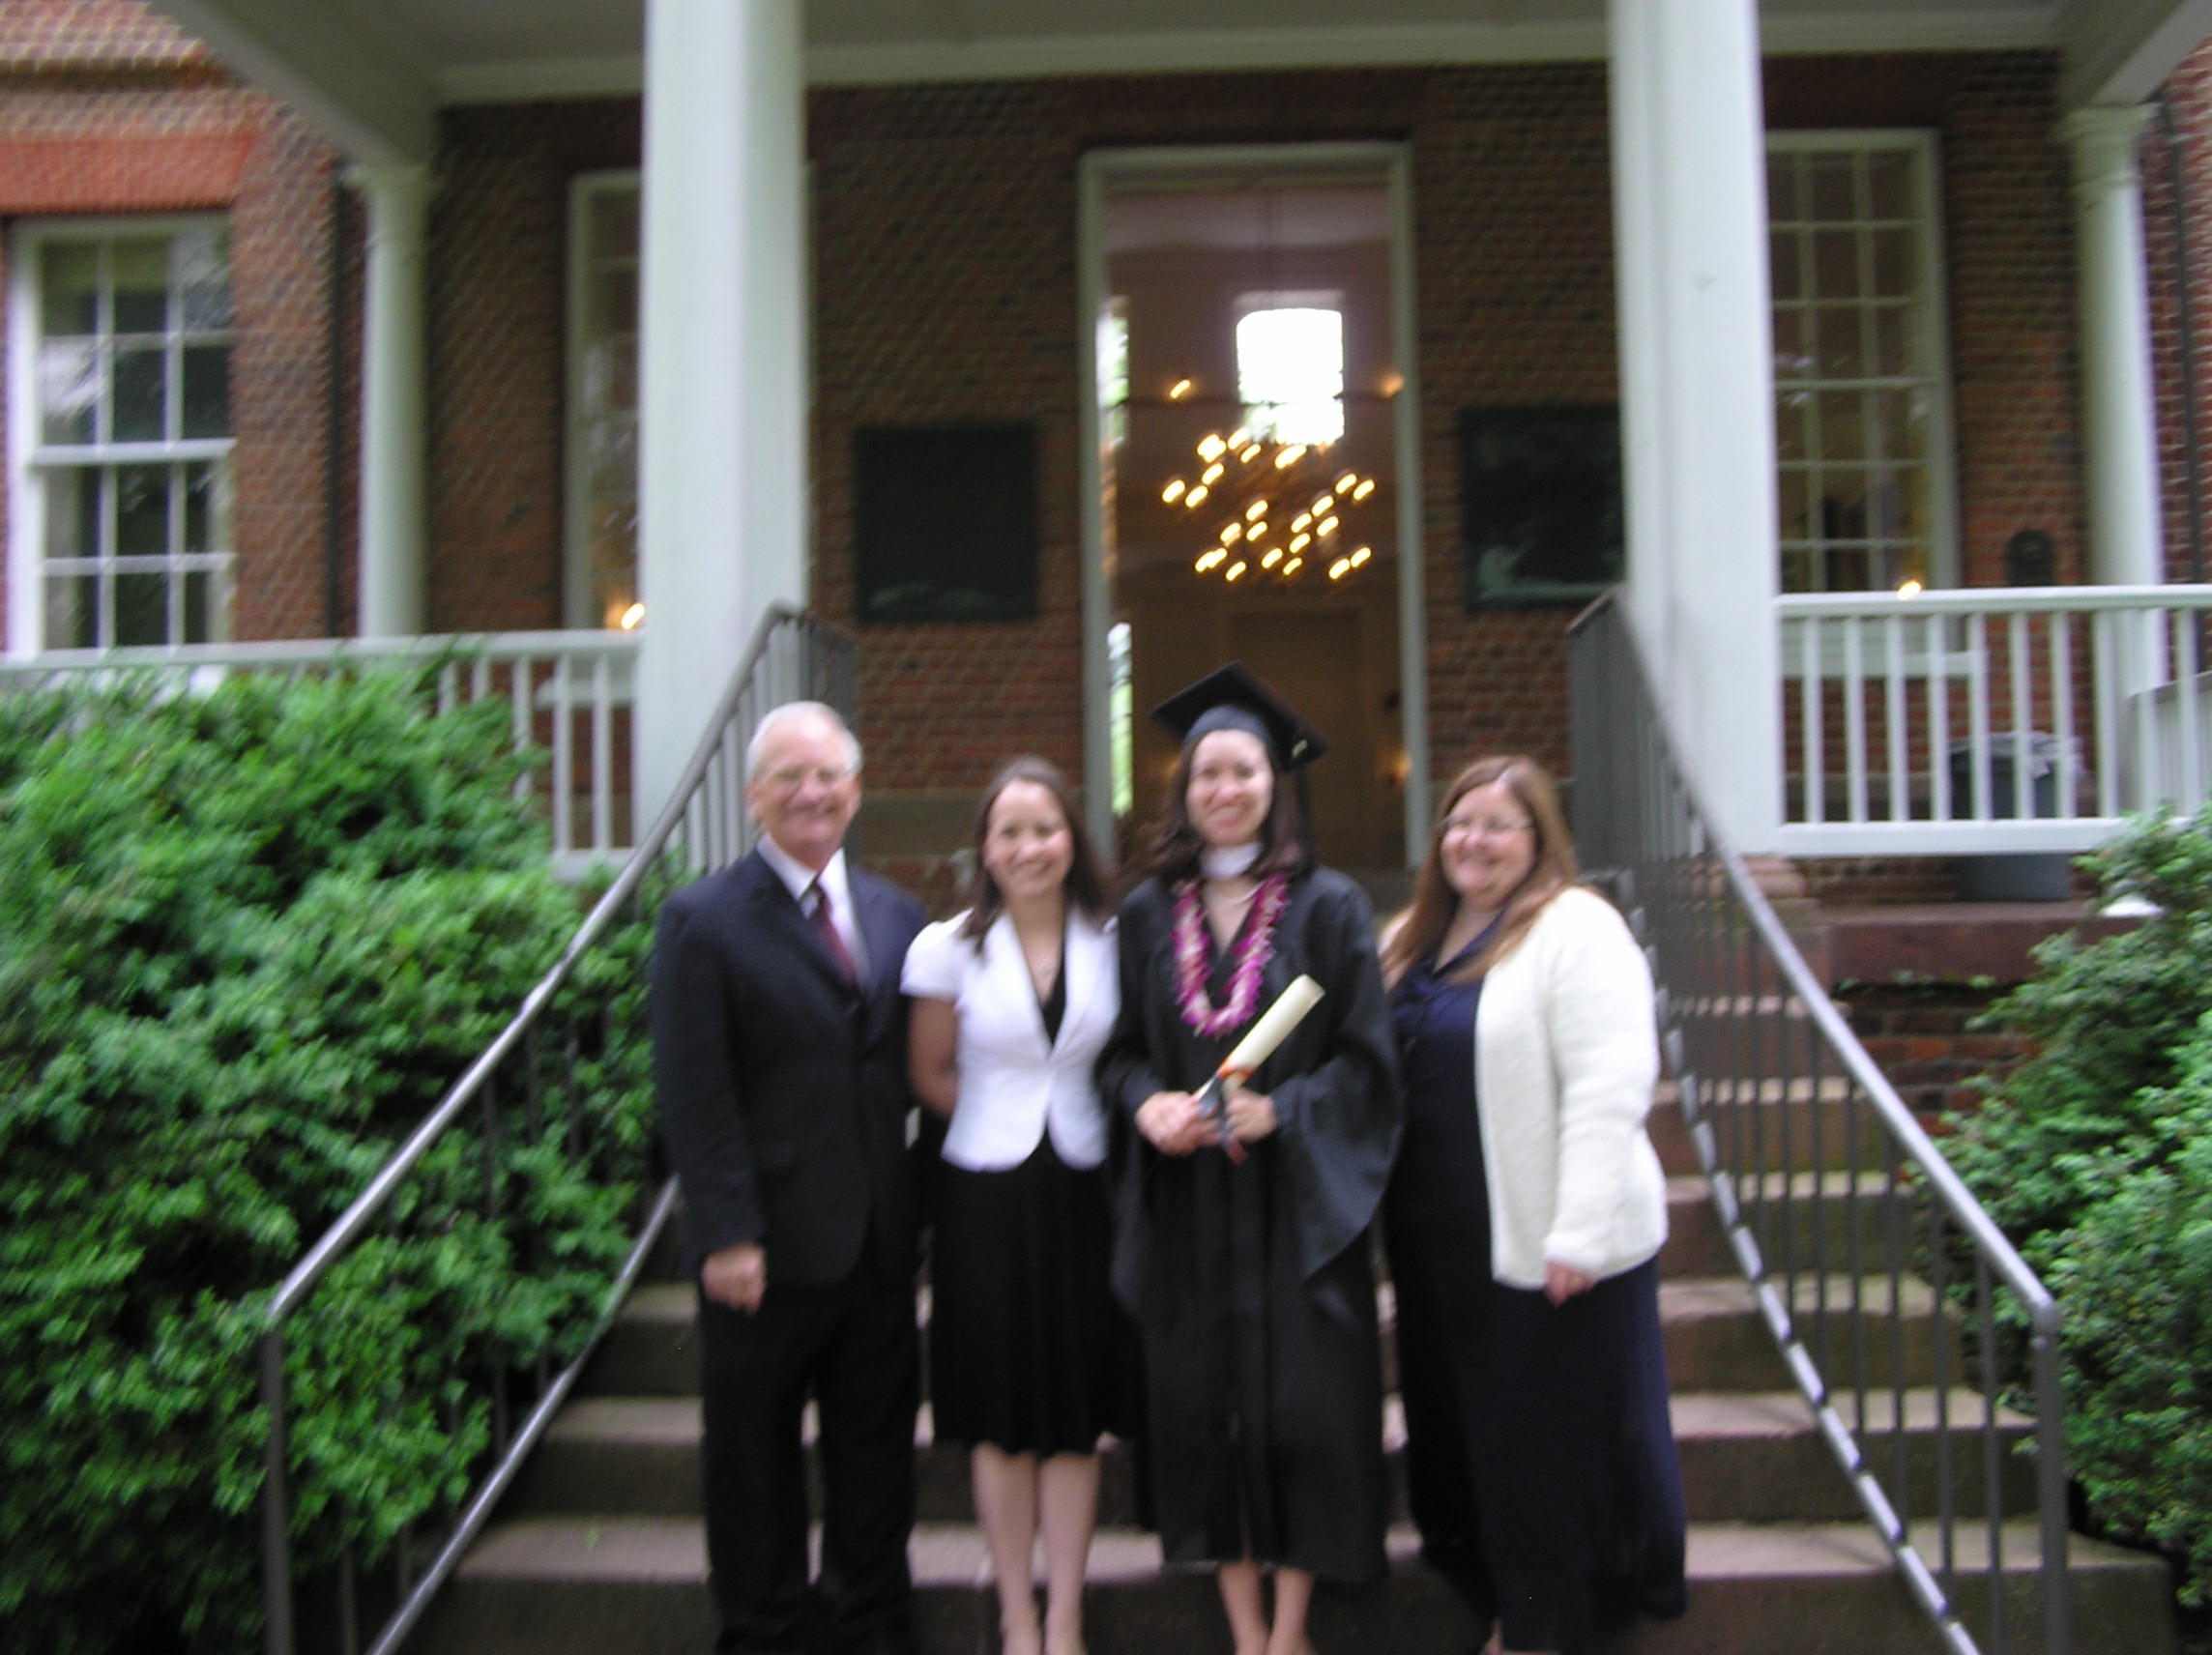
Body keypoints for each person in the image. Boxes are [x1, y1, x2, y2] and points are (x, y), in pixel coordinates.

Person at [1095, 662, 1402, 1655]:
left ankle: (1289, 1630)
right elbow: (1118, 1054)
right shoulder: (1148, 913)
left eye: (1244, 771)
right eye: (1206, 774)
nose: (1224, 789)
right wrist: (1145, 1104)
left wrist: (1286, 1111)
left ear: (1276, 783)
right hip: (1188, 1210)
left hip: (1296, 1213)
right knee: (1204, 1415)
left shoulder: (1330, 908)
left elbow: (1368, 1064)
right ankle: (1243, 1628)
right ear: (1182, 791)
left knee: (1307, 1415)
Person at [1379, 754, 1687, 1655]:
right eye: (1460, 823)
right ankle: (1490, 1588)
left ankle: (1538, 1628)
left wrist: (1579, 1233)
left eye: (1498, 825)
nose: (1474, 842)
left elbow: (1609, 1086)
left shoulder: (1576, 927)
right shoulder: (1409, 937)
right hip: (1437, 1236)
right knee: (1466, 1429)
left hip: (1540, 1233)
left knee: (1540, 1443)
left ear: (1538, 838)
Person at [651, 701, 927, 1655]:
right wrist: (726, 1229)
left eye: (827, 776)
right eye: (788, 777)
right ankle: (762, 1629)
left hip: (876, 1245)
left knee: (875, 1452)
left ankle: (869, 1622)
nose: (811, 793)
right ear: (752, 795)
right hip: (760, 1250)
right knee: (751, 1459)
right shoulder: (701, 920)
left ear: (855, 789)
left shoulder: (897, 913)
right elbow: (694, 1087)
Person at [902, 756, 1133, 1655]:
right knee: (1000, 1416)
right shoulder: (945, 947)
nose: (1029, 847)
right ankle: (1016, 1614)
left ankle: (1065, 1614)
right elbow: (929, 1073)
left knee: (1073, 1416)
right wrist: (1000, 1118)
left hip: (1085, 1188)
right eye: (1010, 832)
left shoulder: (1114, 938)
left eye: (1046, 829)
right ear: (986, 848)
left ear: (1073, 838)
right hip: (983, 1195)